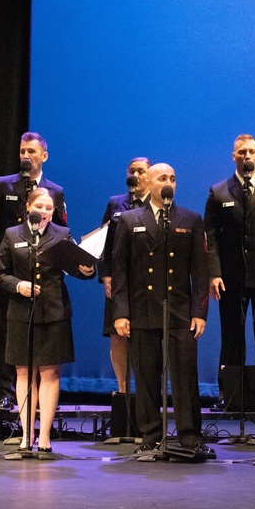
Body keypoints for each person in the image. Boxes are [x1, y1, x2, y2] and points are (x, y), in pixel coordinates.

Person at [112, 164, 211, 454]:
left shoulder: (190, 219)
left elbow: (200, 271)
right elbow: (120, 271)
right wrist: (121, 312)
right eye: (162, 178)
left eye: (172, 178)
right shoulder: (130, 220)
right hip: (142, 308)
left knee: (184, 375)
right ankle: (151, 435)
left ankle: (190, 437)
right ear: (147, 182)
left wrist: (199, 311)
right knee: (146, 376)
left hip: (180, 310)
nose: (169, 183)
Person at [0, 188, 94, 452]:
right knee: (24, 371)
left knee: (49, 372)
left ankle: (45, 436)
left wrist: (87, 269)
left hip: (54, 311)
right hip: (21, 313)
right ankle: (27, 436)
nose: (46, 212)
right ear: (28, 207)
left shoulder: (62, 234)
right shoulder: (12, 234)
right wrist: (18, 285)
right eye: (41, 206)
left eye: (50, 208)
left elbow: (77, 270)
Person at [0, 132, 67, 411]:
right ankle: (3, 390)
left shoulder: (55, 191)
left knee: (41, 336)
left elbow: (62, 232)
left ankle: (41, 395)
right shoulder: (4, 184)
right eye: (21, 151)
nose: (25, 156)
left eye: (31, 151)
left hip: (42, 276)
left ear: (44, 156)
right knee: (6, 332)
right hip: (9, 271)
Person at [204, 134, 255, 409]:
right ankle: (229, 393)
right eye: (241, 152)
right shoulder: (219, 192)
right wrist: (214, 273)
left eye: (251, 151)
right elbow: (211, 237)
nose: (246, 156)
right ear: (233, 156)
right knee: (231, 337)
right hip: (231, 277)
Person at [98, 157, 151, 392]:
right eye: (132, 171)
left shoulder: (158, 203)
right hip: (118, 281)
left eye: (141, 171)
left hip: (147, 282)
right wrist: (105, 276)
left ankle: (144, 390)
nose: (136, 176)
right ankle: (122, 390)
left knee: (144, 337)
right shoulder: (115, 203)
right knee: (117, 336)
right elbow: (104, 243)